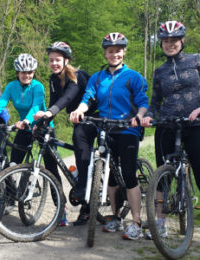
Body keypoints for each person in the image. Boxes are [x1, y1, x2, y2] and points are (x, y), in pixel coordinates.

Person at [70, 33, 149, 240]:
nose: (114, 54)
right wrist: (80, 110)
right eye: (110, 50)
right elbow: (88, 97)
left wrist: (139, 117)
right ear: (105, 53)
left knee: (129, 174)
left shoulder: (133, 76)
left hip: (127, 128)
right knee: (111, 176)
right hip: (106, 129)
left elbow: (142, 101)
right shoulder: (97, 78)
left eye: (118, 50)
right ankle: (115, 217)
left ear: (124, 52)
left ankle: (137, 222)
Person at [141, 21, 200, 238]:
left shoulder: (196, 60)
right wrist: (148, 116)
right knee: (162, 175)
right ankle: (160, 223)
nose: (170, 44)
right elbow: (155, 101)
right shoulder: (160, 71)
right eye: (166, 41)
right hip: (167, 123)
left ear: (182, 40)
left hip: (195, 124)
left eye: (174, 40)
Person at [34, 41, 97, 226]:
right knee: (74, 146)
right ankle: (77, 186)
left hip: (92, 116)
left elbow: (68, 97)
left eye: (58, 60)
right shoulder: (54, 79)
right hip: (77, 117)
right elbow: (55, 101)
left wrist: (50, 111)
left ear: (66, 60)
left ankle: (85, 201)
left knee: (79, 138)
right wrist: (43, 120)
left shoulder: (76, 76)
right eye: (51, 60)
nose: (54, 63)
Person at [0, 53, 49, 164]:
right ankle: (16, 181)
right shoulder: (11, 86)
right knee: (13, 163)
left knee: (51, 166)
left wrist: (26, 121)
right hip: (25, 127)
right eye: (23, 72)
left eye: (30, 72)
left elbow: (36, 107)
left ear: (34, 72)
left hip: (43, 126)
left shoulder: (38, 86)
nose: (27, 75)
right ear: (18, 73)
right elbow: (1, 104)